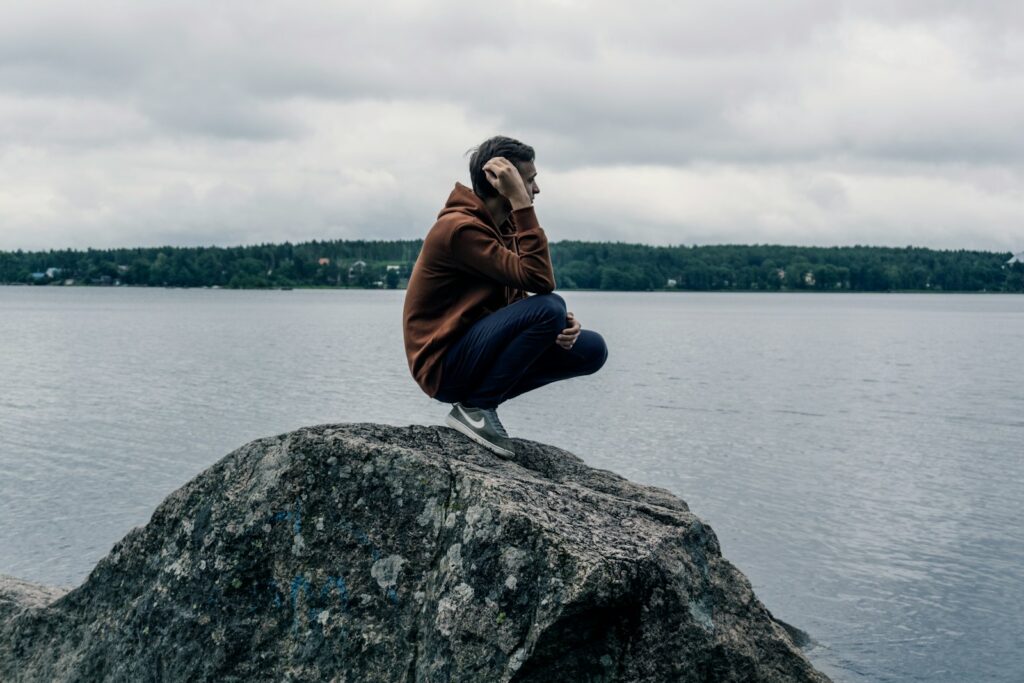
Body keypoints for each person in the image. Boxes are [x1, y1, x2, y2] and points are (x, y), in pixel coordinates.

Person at [402, 135, 608, 457]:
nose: (536, 189)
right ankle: (477, 408)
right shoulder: (459, 230)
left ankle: (479, 402)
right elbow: (541, 281)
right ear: (502, 183)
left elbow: (518, 296)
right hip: (443, 364)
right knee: (550, 306)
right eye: (529, 180)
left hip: (473, 351)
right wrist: (522, 204)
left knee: (592, 349)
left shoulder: (503, 226)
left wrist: (558, 326)